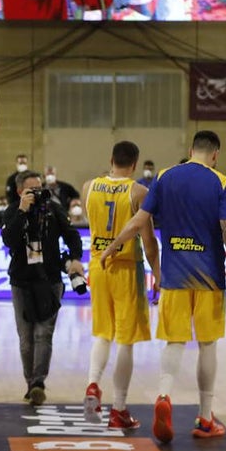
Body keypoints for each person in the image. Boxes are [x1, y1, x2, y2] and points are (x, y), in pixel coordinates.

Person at [100, 130, 226, 444]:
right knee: (207, 345)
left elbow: (140, 220)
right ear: (215, 154)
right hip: (209, 276)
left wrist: (113, 246)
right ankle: (206, 417)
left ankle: (164, 395)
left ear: (190, 149)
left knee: (174, 342)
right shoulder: (222, 182)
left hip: (173, 275)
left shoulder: (165, 176)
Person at [80, 142, 160, 428]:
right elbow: (149, 242)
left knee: (103, 333)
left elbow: (91, 222)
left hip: (97, 264)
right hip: (127, 266)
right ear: (136, 165)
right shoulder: (139, 192)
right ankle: (119, 408)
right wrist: (158, 275)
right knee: (126, 340)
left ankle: (92, 384)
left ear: (111, 159)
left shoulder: (89, 186)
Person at [2, 171, 84, 406]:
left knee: (43, 334)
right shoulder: (12, 211)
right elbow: (9, 239)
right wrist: (22, 211)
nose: (38, 194)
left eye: (40, 189)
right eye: (32, 190)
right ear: (20, 192)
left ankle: (38, 382)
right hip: (21, 281)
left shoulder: (53, 209)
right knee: (26, 338)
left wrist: (76, 258)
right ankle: (30, 382)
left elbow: (72, 235)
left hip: (50, 279)